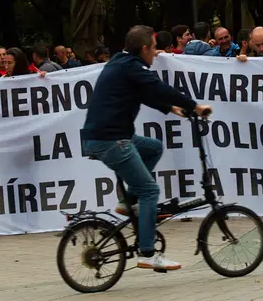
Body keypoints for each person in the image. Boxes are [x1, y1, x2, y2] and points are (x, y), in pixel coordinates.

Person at [81, 25, 212, 271]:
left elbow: (142, 93)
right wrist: (194, 106)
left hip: (108, 136)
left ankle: (128, 200)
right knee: (150, 191)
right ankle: (148, 252)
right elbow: (159, 88)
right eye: (153, 49)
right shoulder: (132, 67)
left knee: (153, 147)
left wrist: (170, 108)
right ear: (143, 49)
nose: (156, 53)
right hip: (112, 140)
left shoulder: (122, 63)